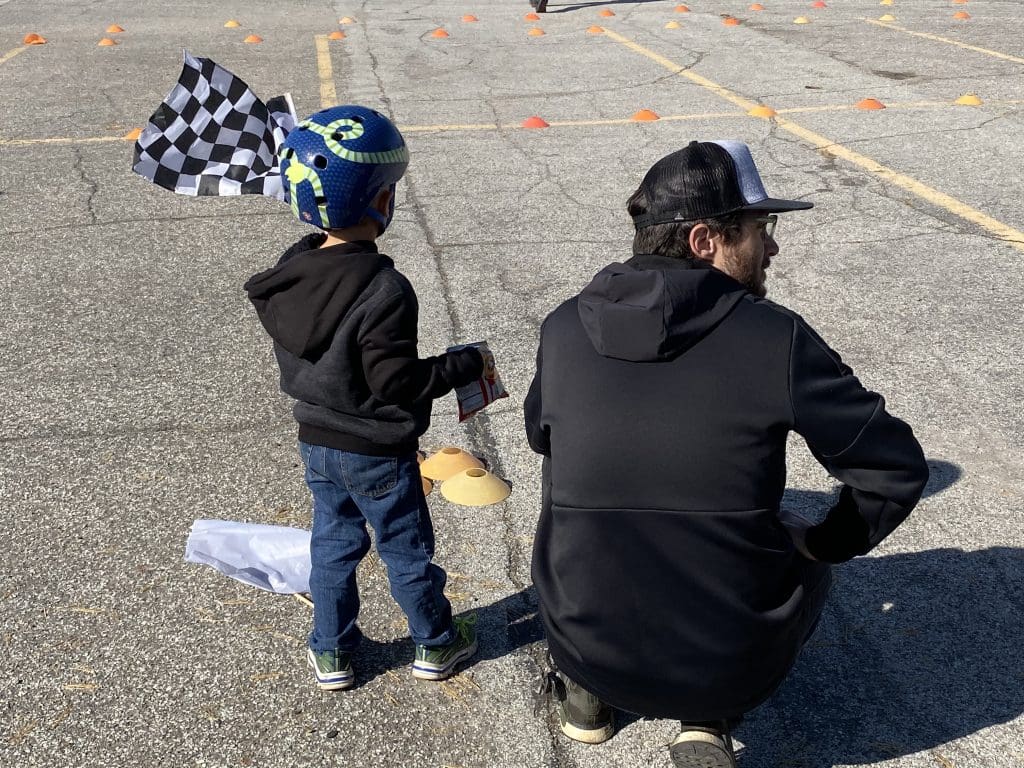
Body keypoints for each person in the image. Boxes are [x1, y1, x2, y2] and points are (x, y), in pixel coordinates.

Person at [524, 140, 929, 767]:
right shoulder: (777, 338)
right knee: (799, 542)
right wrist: (825, 544)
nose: (772, 247)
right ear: (705, 242)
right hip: (728, 664)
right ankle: (705, 718)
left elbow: (539, 437)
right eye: (759, 229)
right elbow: (894, 471)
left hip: (582, 639)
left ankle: (585, 697)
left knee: (570, 496)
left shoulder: (562, 326)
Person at [244, 105, 484, 691]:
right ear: (381, 203)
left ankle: (331, 651)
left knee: (333, 545)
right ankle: (434, 642)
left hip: (317, 443)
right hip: (377, 450)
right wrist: (464, 364)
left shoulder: (292, 271)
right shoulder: (384, 288)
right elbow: (397, 383)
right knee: (404, 549)